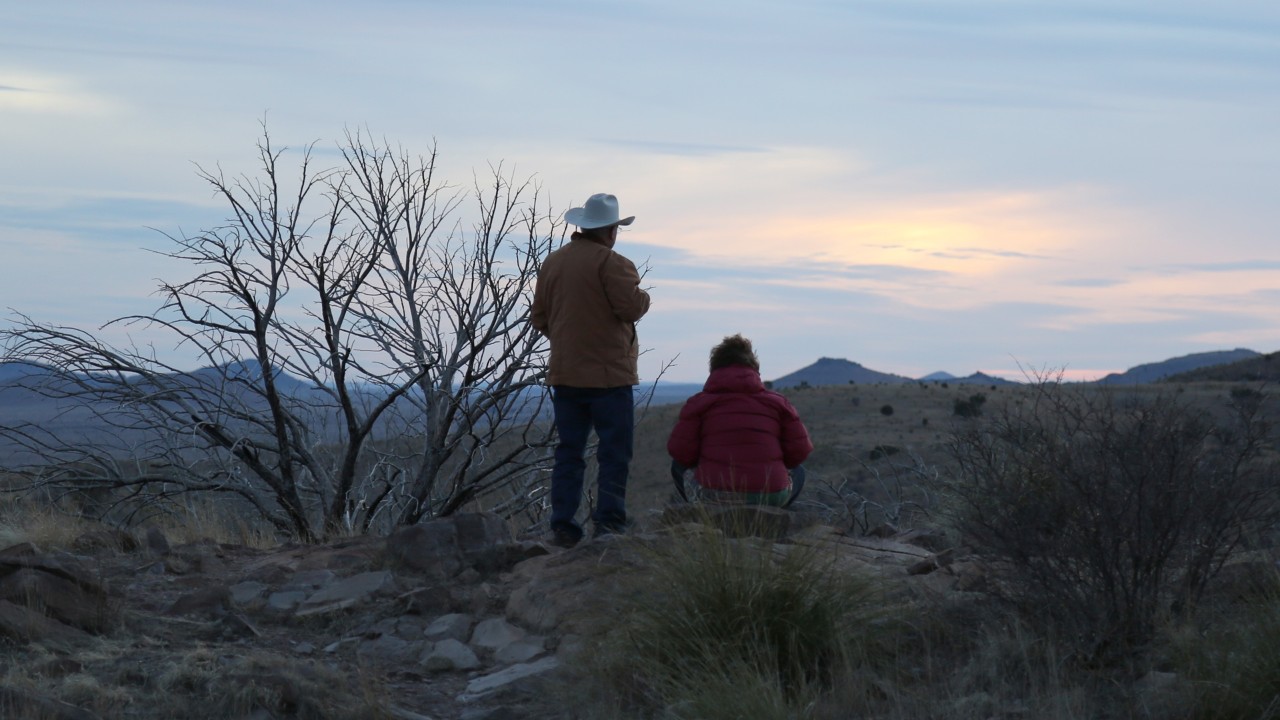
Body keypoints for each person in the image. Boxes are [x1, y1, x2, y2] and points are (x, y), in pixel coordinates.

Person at [530, 193, 651, 547]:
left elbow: (539, 317)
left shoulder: (553, 263)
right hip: (610, 377)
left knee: (569, 452)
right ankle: (609, 522)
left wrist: (569, 341)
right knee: (614, 452)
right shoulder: (614, 264)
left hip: (566, 374)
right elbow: (631, 308)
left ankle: (563, 524)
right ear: (611, 230)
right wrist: (644, 297)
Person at [667, 334, 813, 506]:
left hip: (714, 494)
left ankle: (698, 515)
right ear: (753, 367)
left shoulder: (699, 403)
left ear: (714, 368)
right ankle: (779, 515)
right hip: (769, 495)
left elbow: (680, 452)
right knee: (799, 471)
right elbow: (800, 451)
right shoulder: (779, 403)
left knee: (676, 467)